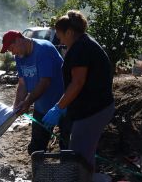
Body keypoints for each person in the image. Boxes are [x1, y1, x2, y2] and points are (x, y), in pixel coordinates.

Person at [42, 10, 115, 171]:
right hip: (93, 107)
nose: (58, 39)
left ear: (69, 32)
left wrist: (58, 107)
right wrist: (66, 105)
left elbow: (77, 82)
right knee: (82, 153)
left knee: (78, 155)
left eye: (59, 35)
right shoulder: (83, 43)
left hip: (94, 110)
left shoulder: (80, 48)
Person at [0, 30, 64, 155]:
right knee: (36, 148)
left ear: (19, 40)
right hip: (41, 106)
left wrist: (27, 102)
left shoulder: (43, 50)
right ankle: (39, 173)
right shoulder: (19, 56)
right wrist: (16, 106)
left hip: (62, 105)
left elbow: (45, 82)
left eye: (12, 48)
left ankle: (69, 173)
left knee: (67, 147)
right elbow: (23, 84)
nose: (13, 53)